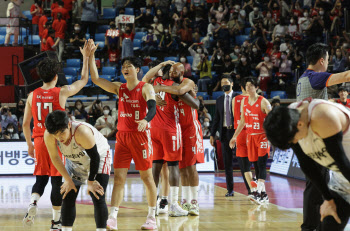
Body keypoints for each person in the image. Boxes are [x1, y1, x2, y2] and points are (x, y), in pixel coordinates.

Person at [22, 41, 91, 230]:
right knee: (56, 181)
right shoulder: (62, 92)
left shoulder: (32, 95)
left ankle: (33, 203)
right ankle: (55, 222)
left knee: (40, 178)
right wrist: (86, 56)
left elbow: (25, 123)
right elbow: (84, 80)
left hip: (38, 140)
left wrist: (29, 144)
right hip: (57, 140)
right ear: (55, 75)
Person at [88, 42, 158, 230]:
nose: (125, 69)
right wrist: (91, 56)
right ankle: (113, 217)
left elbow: (153, 107)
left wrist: (146, 120)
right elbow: (95, 78)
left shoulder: (146, 87)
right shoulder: (119, 88)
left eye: (129, 66)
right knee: (118, 178)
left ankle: (152, 217)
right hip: (123, 138)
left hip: (141, 136)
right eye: (123, 66)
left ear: (138, 70)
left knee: (147, 178)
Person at [263, 98, 350, 230]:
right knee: (329, 224)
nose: (295, 143)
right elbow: (307, 165)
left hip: (346, 168)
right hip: (342, 178)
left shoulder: (323, 116)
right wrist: (328, 199)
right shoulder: (290, 118)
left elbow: (342, 162)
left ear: (300, 125)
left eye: (294, 140)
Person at [296, 42, 350, 231]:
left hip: (307, 138)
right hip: (318, 136)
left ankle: (313, 225)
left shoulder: (302, 78)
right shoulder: (316, 77)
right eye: (327, 60)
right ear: (321, 60)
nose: (328, 63)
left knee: (315, 184)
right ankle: (310, 226)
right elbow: (346, 75)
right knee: (317, 186)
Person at [145, 62, 203, 216]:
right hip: (173, 129)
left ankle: (193, 202)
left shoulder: (186, 83)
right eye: (170, 71)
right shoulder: (158, 84)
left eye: (175, 72)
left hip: (188, 128)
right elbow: (146, 80)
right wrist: (154, 94)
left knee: (189, 167)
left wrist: (156, 90)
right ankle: (177, 202)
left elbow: (193, 102)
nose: (172, 73)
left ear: (182, 72)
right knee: (176, 167)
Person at [44, 110, 111, 231]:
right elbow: (55, 157)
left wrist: (91, 182)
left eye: (62, 132)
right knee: (68, 194)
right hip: (75, 160)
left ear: (69, 125)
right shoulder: (49, 135)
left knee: (97, 194)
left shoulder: (82, 131)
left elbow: (94, 157)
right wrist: (68, 180)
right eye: (56, 134)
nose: (60, 137)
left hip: (99, 157)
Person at [229, 77, 272, 204]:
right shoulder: (244, 102)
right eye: (247, 85)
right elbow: (242, 121)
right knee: (256, 166)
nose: (248, 88)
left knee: (262, 164)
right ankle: (263, 195)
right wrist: (235, 136)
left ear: (257, 87)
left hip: (262, 136)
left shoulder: (263, 102)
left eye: (251, 85)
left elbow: (273, 119)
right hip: (250, 136)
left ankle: (258, 193)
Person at [210, 77, 238, 197]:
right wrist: (212, 134)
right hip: (224, 132)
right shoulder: (219, 99)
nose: (224, 85)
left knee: (244, 161)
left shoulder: (238, 97)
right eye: (222, 83)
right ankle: (230, 190)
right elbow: (216, 118)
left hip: (237, 132)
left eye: (226, 83)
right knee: (227, 163)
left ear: (232, 84)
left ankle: (251, 189)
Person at [231, 81, 253, 197]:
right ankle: (259, 190)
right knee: (258, 163)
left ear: (241, 87)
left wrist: (235, 135)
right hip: (253, 131)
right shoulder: (257, 99)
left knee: (245, 165)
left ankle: (251, 190)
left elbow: (236, 117)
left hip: (240, 133)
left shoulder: (235, 99)